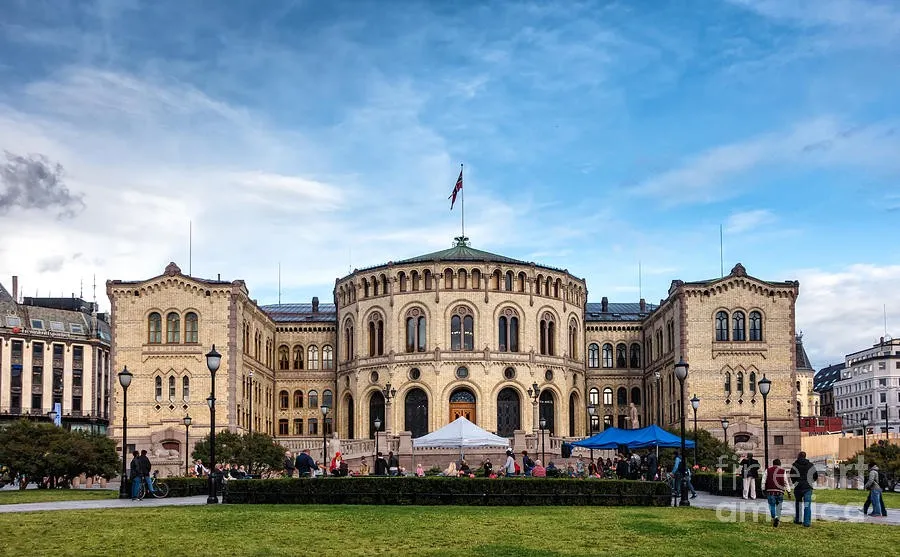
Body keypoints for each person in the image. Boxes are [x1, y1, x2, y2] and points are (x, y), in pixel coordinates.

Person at [790, 451, 818, 527]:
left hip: (798, 486)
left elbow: (792, 475)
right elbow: (815, 475)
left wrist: (795, 482)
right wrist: (811, 481)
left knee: (798, 504)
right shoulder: (810, 465)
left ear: (798, 456)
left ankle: (798, 520)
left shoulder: (795, 465)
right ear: (805, 456)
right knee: (807, 505)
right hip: (807, 487)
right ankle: (807, 522)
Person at [763, 458, 790, 527]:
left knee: (772, 505)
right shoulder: (782, 471)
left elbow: (764, 480)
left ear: (773, 464)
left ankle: (774, 517)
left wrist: (763, 489)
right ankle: (777, 518)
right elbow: (785, 481)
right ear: (780, 464)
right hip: (780, 491)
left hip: (770, 490)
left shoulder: (768, 470)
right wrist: (788, 491)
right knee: (779, 505)